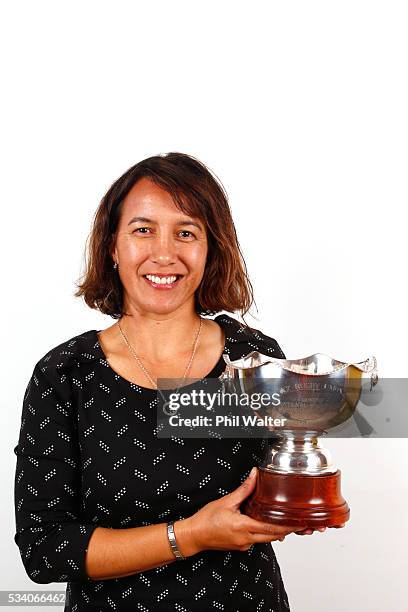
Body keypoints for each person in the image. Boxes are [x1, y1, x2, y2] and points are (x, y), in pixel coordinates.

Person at [13, 152, 338, 611]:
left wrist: (299, 502)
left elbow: (279, 481)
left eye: (186, 233)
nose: (164, 254)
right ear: (112, 245)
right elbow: (45, 551)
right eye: (143, 230)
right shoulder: (65, 374)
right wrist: (191, 535)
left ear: (211, 248)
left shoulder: (249, 358)